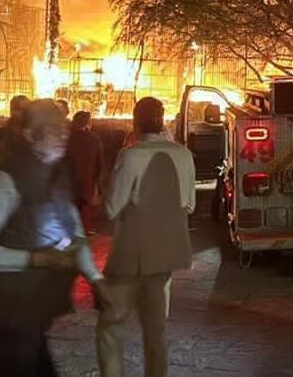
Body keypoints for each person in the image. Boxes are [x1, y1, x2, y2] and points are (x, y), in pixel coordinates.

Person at [0, 99, 102, 377]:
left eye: (63, 126)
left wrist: (96, 279)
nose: (63, 133)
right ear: (29, 135)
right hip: (9, 314)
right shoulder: (6, 181)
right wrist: (35, 258)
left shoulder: (56, 173)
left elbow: (74, 233)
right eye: (52, 128)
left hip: (33, 313)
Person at [97, 97, 196, 377]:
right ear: (162, 119)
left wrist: (106, 183)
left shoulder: (130, 155)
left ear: (135, 120)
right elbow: (189, 204)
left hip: (130, 257)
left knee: (111, 327)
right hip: (167, 255)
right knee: (156, 332)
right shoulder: (184, 154)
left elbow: (111, 207)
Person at [66, 110, 105, 234]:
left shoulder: (67, 138)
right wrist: (97, 182)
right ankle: (84, 232)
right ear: (88, 123)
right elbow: (100, 164)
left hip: (69, 182)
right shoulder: (94, 139)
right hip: (87, 182)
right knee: (84, 212)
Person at [0, 95, 30, 175]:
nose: (19, 113)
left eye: (24, 110)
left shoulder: (31, 135)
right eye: (17, 108)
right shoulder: (2, 134)